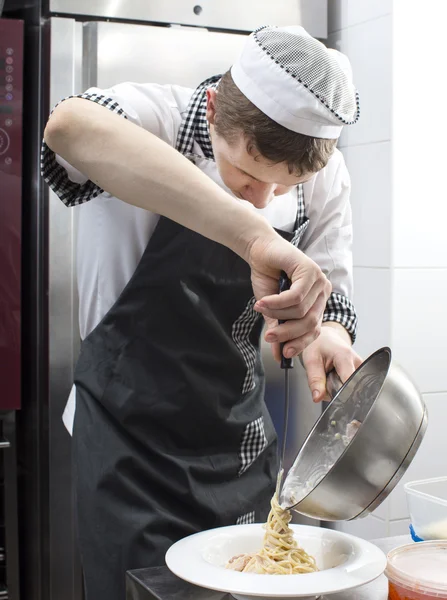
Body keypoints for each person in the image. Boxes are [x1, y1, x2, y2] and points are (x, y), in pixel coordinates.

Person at [42, 24, 362, 600]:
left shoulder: (322, 178)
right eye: (247, 176)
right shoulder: (157, 118)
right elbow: (67, 126)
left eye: (282, 189)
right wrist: (254, 240)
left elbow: (330, 287)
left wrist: (327, 331)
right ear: (214, 109)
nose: (262, 201)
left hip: (238, 448)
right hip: (126, 447)